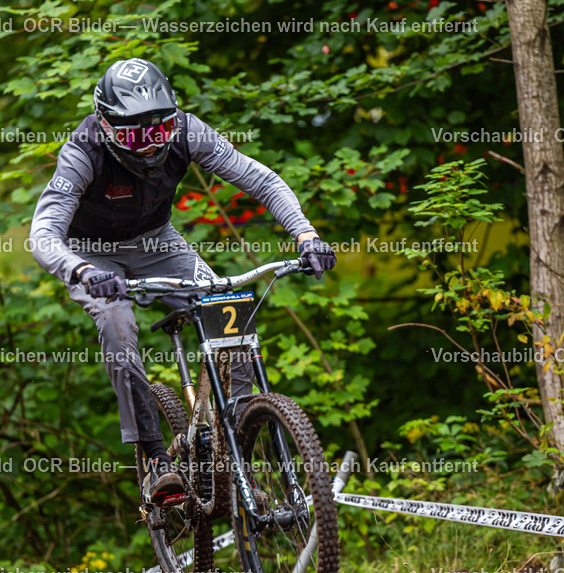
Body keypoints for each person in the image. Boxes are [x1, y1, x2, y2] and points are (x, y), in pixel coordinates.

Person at [30, 58, 336, 505]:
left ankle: (236, 443)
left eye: (161, 130)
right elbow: (42, 234)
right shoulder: (84, 150)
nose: (152, 144)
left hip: (158, 244)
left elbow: (260, 179)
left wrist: (306, 234)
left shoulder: (187, 131)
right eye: (136, 135)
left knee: (226, 309)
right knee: (117, 324)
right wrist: (82, 271)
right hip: (91, 255)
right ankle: (155, 458)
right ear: (105, 124)